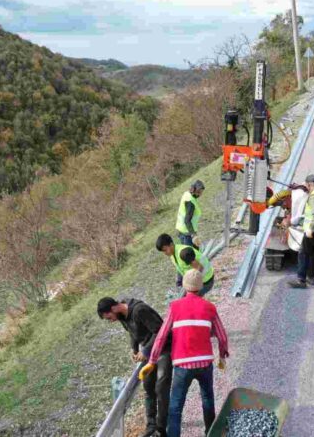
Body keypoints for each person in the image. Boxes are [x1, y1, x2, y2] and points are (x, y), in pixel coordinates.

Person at [138, 270, 229, 437]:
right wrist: (222, 356)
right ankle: (210, 432)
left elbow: (161, 336)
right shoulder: (210, 307)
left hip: (182, 366)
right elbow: (222, 336)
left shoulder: (175, 307)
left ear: (185, 286)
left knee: (176, 407)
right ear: (201, 287)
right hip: (205, 364)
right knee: (208, 400)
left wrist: (152, 361)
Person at [98, 297, 172, 437]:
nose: (111, 320)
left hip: (164, 349)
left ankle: (161, 430)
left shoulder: (140, 310)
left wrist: (145, 350)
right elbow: (132, 332)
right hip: (149, 354)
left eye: (109, 317)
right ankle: (151, 425)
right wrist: (134, 349)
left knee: (161, 388)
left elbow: (160, 331)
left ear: (114, 308)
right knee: (149, 388)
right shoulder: (123, 316)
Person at [289, 174, 314, 288]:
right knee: (313, 255)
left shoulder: (313, 196)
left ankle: (301, 280)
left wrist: (310, 228)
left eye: (306, 185)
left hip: (312, 231)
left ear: (309, 184)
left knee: (303, 253)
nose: (306, 187)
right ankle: (311, 278)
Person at [175, 180, 204, 248]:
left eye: (201, 192)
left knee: (195, 251)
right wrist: (193, 235)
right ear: (193, 189)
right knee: (190, 255)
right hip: (186, 233)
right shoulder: (190, 203)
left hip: (183, 230)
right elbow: (187, 220)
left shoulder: (187, 194)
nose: (200, 194)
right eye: (198, 192)